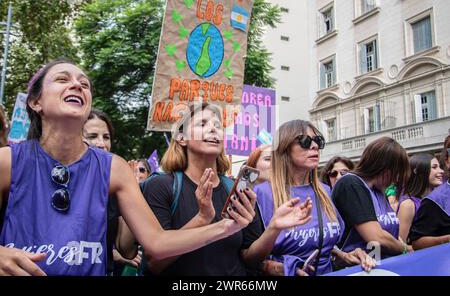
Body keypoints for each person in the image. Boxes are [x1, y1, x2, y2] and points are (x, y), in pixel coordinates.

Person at [0, 59, 260, 276]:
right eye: (62, 79)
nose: (77, 85)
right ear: (36, 102)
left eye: (84, 84)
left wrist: (225, 227)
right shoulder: (8, 161)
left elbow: (156, 243)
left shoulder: (114, 168)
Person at [141, 103, 313, 276]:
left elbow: (250, 258)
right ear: (181, 138)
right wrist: (202, 219)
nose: (213, 129)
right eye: (202, 124)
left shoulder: (237, 188)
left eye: (218, 126)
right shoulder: (160, 186)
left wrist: (274, 228)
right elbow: (155, 263)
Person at [254, 120, 375, 276]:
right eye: (305, 141)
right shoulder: (261, 194)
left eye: (318, 141)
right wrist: (277, 268)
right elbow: (248, 258)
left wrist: (345, 256)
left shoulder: (326, 192)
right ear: (285, 148)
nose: (315, 146)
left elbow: (326, 247)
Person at [82, 108, 142, 276]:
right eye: (92, 136)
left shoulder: (114, 186)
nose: (102, 143)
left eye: (106, 137)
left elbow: (126, 248)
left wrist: (132, 192)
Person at [332, 137, 412, 259]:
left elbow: (391, 232)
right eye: (397, 172)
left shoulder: (379, 190)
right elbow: (376, 237)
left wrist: (400, 244)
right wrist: (406, 249)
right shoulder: (351, 184)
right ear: (385, 168)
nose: (397, 179)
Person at [409, 136, 450, 250]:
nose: (439, 172)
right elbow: (417, 243)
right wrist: (446, 239)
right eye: (433, 167)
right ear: (447, 161)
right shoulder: (434, 201)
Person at [397, 154, 444, 243]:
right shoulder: (408, 205)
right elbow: (400, 245)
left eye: (440, 167)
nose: (441, 171)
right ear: (418, 172)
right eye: (434, 167)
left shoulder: (439, 200)